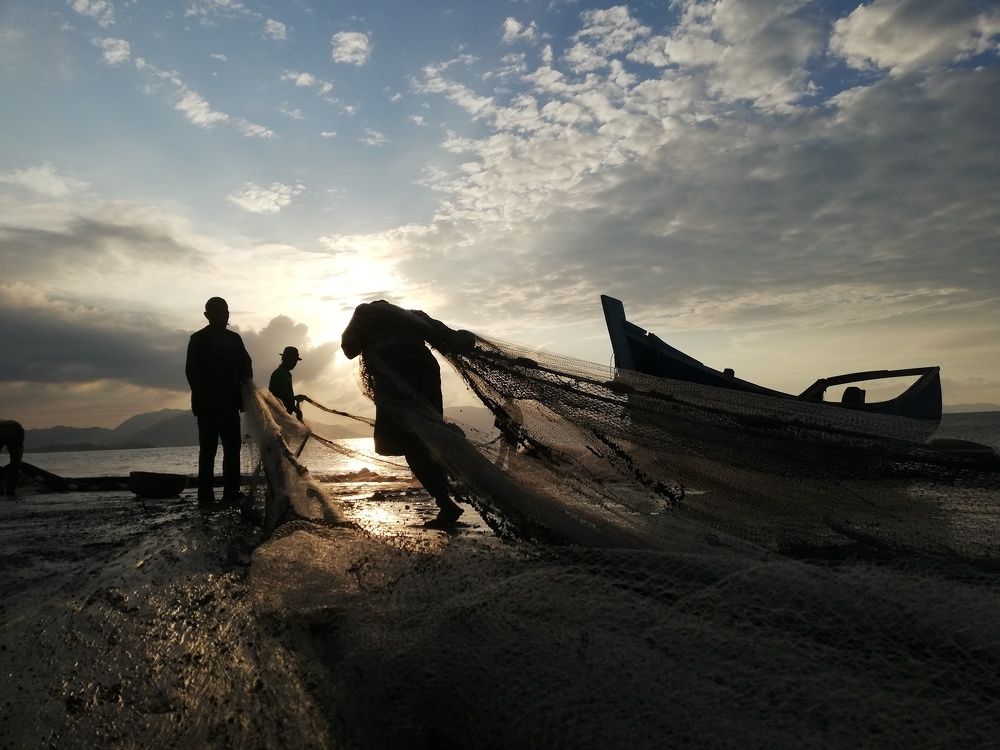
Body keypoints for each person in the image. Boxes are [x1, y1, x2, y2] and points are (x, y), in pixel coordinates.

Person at [341, 300, 475, 528]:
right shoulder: (413, 315)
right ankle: (446, 488)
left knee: (398, 439)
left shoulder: (364, 312)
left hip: (394, 373)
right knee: (428, 435)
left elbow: (349, 349)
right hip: (426, 370)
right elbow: (447, 337)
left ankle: (445, 503)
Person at [185, 297, 253, 505]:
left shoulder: (234, 339)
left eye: (226, 312)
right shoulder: (199, 339)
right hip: (208, 405)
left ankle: (231, 492)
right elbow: (191, 370)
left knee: (232, 448)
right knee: (208, 450)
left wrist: (245, 386)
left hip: (230, 404)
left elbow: (246, 364)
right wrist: (204, 397)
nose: (224, 316)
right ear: (208, 315)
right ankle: (205, 497)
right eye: (219, 312)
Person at [268, 346, 306, 420]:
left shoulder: (285, 374)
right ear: (287, 359)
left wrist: (295, 398)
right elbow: (282, 398)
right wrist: (297, 410)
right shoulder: (280, 374)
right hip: (279, 418)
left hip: (282, 417)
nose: (295, 363)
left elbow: (284, 395)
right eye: (294, 361)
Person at [0, 420, 24, 496]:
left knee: (15, 462)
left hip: (9, 430)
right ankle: (11, 490)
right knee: (16, 461)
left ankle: (1, 491)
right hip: (17, 429)